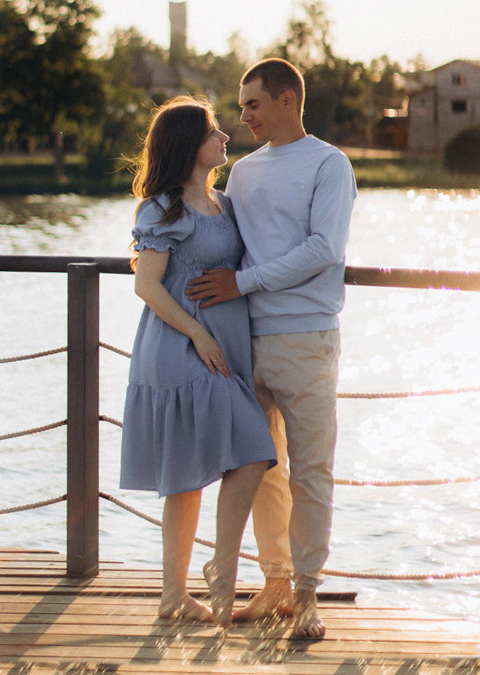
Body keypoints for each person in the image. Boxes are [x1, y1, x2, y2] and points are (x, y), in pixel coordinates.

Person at [186, 59, 357, 640]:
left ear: (287, 99)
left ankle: (308, 595)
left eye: (253, 105)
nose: (244, 117)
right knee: (258, 471)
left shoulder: (329, 164)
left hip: (307, 338)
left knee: (311, 469)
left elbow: (324, 248)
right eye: (240, 108)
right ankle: (276, 582)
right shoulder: (244, 173)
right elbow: (223, 242)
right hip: (245, 339)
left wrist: (246, 283)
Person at [120, 96, 277, 629]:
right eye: (214, 131)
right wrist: (197, 334)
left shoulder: (225, 204)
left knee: (199, 472)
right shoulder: (163, 209)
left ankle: (174, 594)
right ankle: (212, 571)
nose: (225, 138)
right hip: (180, 351)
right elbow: (147, 285)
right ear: (190, 143)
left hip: (223, 350)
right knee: (252, 450)